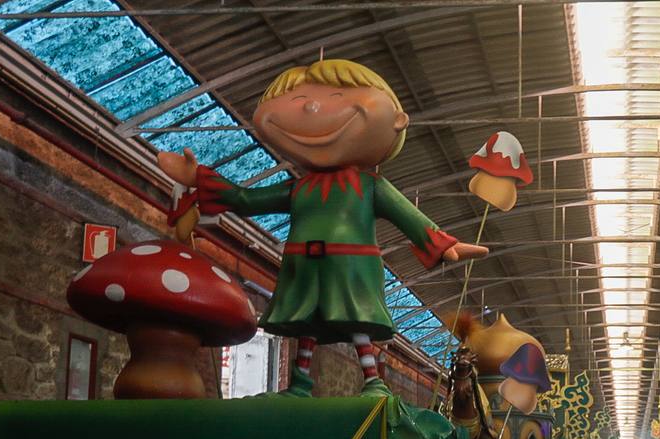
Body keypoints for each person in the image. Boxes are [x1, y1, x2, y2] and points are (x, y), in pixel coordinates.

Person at [157, 59, 487, 396]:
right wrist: (198, 177)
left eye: (337, 95)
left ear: (397, 121)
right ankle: (300, 381)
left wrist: (444, 244)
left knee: (357, 320)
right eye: (298, 100)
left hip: (352, 266)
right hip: (305, 262)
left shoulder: (370, 186)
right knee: (307, 322)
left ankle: (372, 380)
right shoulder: (299, 188)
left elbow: (408, 217)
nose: (313, 105)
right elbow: (245, 199)